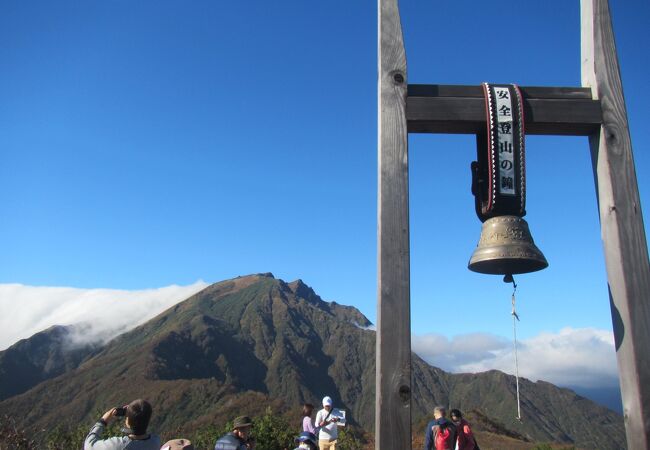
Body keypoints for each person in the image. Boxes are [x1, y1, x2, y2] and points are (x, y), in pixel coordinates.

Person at [84, 399, 160, 450]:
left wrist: (103, 421)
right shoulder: (155, 442)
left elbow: (89, 445)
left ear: (128, 422)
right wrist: (131, 413)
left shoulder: (117, 445)